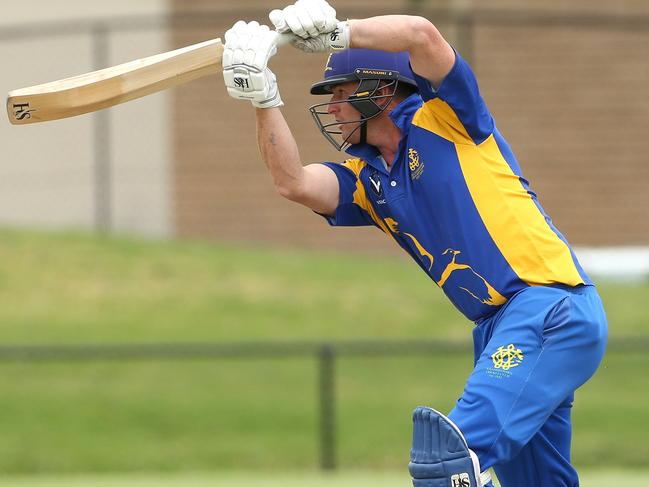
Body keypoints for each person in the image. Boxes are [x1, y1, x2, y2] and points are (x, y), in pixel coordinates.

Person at [221, 1, 608, 486]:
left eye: (341, 94)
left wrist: (341, 32)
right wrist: (262, 99)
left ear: (379, 91)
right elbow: (294, 182)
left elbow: (421, 35)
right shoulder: (366, 181)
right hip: (498, 327)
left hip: (547, 306)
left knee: (444, 462)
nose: (333, 109)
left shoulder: (447, 118)